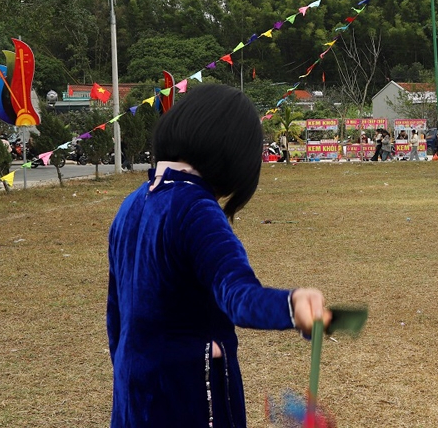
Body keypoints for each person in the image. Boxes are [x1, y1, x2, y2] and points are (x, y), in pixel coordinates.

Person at [106, 84, 329, 427]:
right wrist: (292, 303)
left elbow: (116, 318)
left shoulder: (130, 205)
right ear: (233, 155)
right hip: (188, 400)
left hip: (133, 397)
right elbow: (237, 295)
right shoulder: (196, 210)